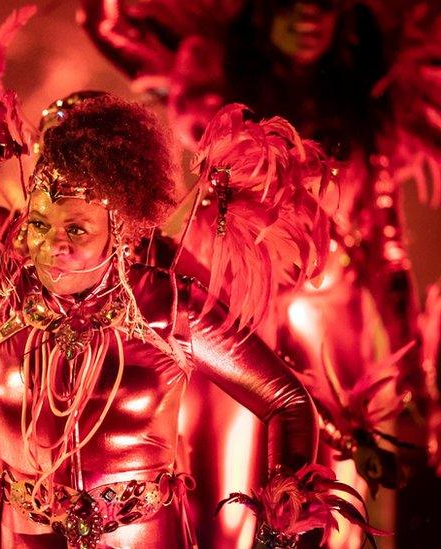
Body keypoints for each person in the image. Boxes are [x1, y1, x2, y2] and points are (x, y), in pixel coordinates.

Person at [0, 17, 361, 545]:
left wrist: (284, 513)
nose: (53, 244)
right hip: (21, 534)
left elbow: (286, 399)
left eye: (77, 227)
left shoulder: (168, 307)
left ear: (121, 231)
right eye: (41, 224)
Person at [80, 1, 441, 545]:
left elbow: (385, 251)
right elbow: (110, 22)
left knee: (328, 499)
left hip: (335, 350)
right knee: (231, 485)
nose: (306, 14)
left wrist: (413, 376)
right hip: (241, 324)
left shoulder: (368, 110)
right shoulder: (219, 96)